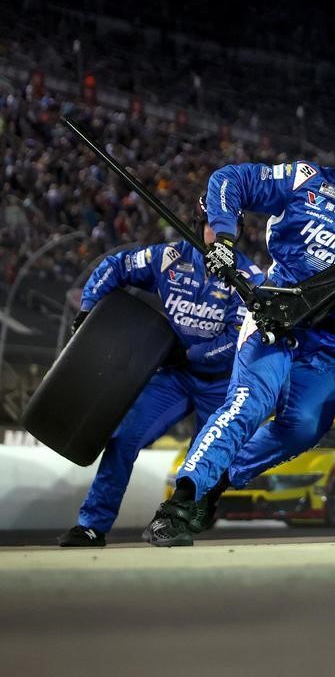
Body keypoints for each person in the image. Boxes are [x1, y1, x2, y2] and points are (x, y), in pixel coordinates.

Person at [143, 112, 335, 546]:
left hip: (326, 342)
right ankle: (181, 502)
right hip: (273, 318)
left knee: (304, 427)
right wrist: (223, 240)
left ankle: (218, 480)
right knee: (247, 405)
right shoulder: (307, 181)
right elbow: (230, 179)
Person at [58, 198, 262, 547]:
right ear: (199, 224)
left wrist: (189, 353)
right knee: (124, 438)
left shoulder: (249, 277)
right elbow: (115, 266)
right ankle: (92, 525)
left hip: (224, 384)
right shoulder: (167, 258)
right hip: (174, 377)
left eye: (231, 229)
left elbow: (236, 339)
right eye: (214, 225)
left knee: (210, 462)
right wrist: (88, 311)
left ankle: (182, 518)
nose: (220, 235)